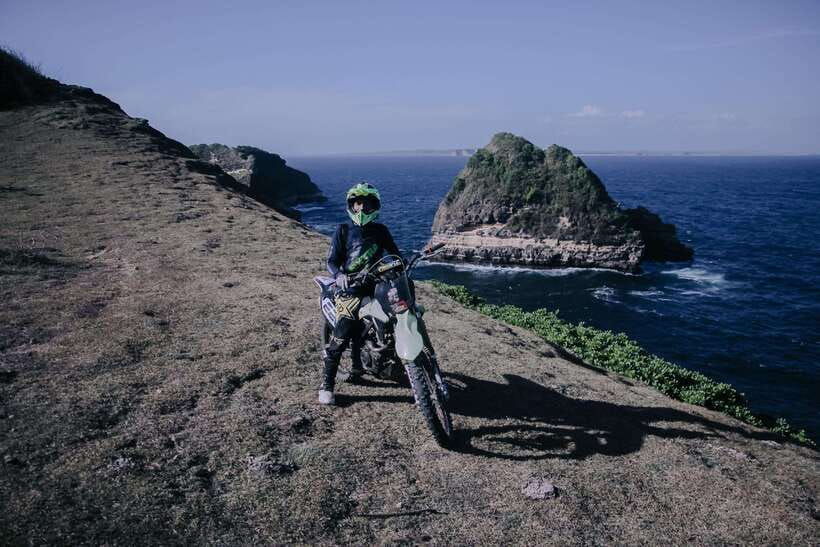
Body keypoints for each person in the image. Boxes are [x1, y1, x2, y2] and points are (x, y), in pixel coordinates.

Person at [319, 182, 402, 405]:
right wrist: (339, 276)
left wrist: (395, 268)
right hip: (350, 288)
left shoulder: (381, 230)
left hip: (377, 285)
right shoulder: (343, 230)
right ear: (351, 206)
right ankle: (327, 384)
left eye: (367, 204)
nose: (362, 208)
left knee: (396, 317)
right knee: (343, 331)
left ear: (375, 205)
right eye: (357, 203)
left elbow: (395, 255)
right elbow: (331, 261)